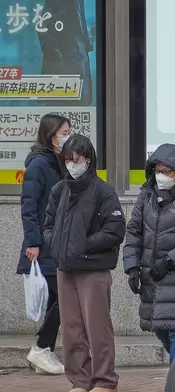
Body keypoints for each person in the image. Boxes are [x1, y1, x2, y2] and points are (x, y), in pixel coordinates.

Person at [43, 134, 126, 392]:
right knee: (71, 330)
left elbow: (115, 229)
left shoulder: (104, 191)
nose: (71, 164)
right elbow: (48, 224)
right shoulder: (59, 190)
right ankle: (80, 380)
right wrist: (57, 244)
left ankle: (104, 381)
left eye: (76, 159)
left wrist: (84, 244)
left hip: (93, 270)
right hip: (66, 270)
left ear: (88, 160)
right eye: (67, 159)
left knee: (97, 328)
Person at [123, 144, 175, 387]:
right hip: (152, 278)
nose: (162, 176)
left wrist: (171, 260)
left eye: (167, 171)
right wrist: (132, 267)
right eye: (158, 170)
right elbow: (134, 232)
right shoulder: (146, 195)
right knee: (161, 331)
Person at [18, 114, 70, 375]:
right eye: (63, 132)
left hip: (56, 242)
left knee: (56, 299)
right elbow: (28, 207)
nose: (67, 136)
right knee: (62, 297)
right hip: (43, 244)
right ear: (50, 135)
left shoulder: (58, 163)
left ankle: (44, 353)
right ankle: (40, 348)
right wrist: (33, 242)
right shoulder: (39, 165)